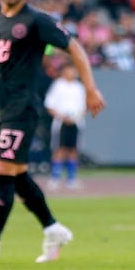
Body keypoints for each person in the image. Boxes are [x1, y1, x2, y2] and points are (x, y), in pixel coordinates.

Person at [0, 0, 106, 264]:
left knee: (2, 170)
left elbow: (74, 48)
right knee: (18, 174)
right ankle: (53, 228)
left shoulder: (37, 21)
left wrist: (90, 88)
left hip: (22, 108)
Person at [44, 62, 87, 190]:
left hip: (76, 122)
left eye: (74, 71)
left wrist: (76, 117)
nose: (72, 73)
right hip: (61, 122)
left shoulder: (79, 87)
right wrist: (63, 117)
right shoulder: (58, 86)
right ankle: (55, 178)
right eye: (69, 70)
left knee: (73, 150)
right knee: (59, 149)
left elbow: (85, 106)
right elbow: (49, 105)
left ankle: (71, 179)